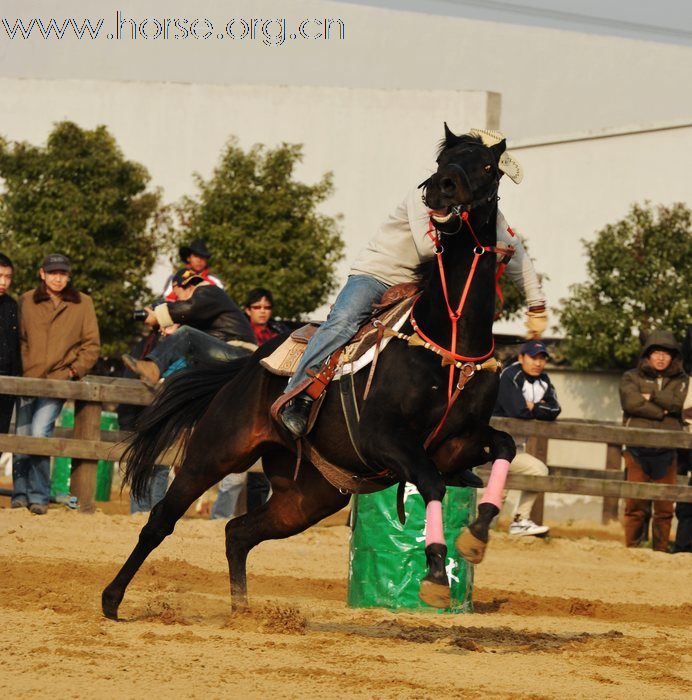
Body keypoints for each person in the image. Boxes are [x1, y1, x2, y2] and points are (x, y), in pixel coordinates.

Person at [281, 128, 547, 438]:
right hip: (377, 275)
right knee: (343, 322)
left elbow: (516, 254)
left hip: (421, 290)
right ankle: (296, 396)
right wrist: (458, 222)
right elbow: (426, 249)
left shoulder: (487, 215)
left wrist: (536, 303)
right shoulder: (427, 194)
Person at [12, 254, 100, 514]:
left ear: (69, 275)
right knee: (22, 435)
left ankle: (38, 496)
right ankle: (20, 494)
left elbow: (92, 344)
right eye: (53, 273)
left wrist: (74, 370)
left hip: (59, 380)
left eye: (63, 273)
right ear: (42, 274)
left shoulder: (83, 303)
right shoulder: (26, 300)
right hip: (27, 379)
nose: (58, 277)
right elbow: (20, 339)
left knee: (40, 433)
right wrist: (23, 365)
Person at [124, 268, 256, 386]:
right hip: (232, 352)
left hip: (240, 353)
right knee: (187, 352)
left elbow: (189, 308)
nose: (178, 300)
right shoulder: (206, 304)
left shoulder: (208, 291)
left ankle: (153, 369)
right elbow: (192, 316)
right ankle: (164, 381)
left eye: (177, 295)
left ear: (183, 287)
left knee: (187, 334)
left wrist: (158, 315)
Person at [619, 330, 689, 551]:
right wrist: (663, 412)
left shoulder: (683, 380)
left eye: (666, 353)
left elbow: (680, 405)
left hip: (667, 451)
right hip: (636, 449)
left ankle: (659, 551)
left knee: (664, 507)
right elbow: (632, 403)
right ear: (647, 355)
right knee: (635, 504)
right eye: (656, 352)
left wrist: (653, 397)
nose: (660, 358)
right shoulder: (631, 377)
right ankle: (632, 548)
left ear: (673, 357)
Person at [493, 340, 561, 536]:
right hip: (493, 445)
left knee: (536, 471)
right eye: (533, 357)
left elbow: (555, 409)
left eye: (542, 359)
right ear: (521, 357)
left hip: (516, 449)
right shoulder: (510, 375)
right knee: (503, 482)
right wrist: (533, 407)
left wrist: (534, 407)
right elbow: (518, 410)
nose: (538, 363)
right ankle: (488, 525)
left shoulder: (544, 380)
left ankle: (518, 521)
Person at [0, 254, 21, 441]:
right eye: (0, 275)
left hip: (7, 386)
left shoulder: (12, 305)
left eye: (8, 277)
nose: (3, 282)